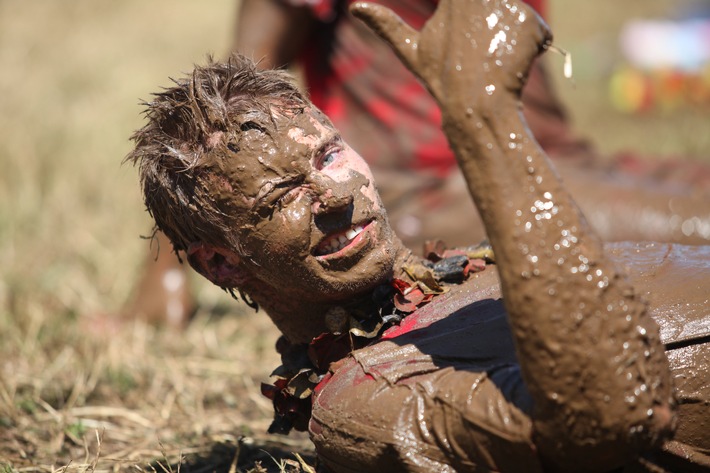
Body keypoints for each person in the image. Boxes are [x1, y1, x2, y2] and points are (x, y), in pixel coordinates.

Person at [126, 1, 710, 471]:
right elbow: (614, 416)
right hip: (447, 177)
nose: (335, 194)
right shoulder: (360, 399)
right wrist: (482, 117)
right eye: (283, 197)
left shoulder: (463, 270)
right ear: (222, 264)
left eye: (329, 155)